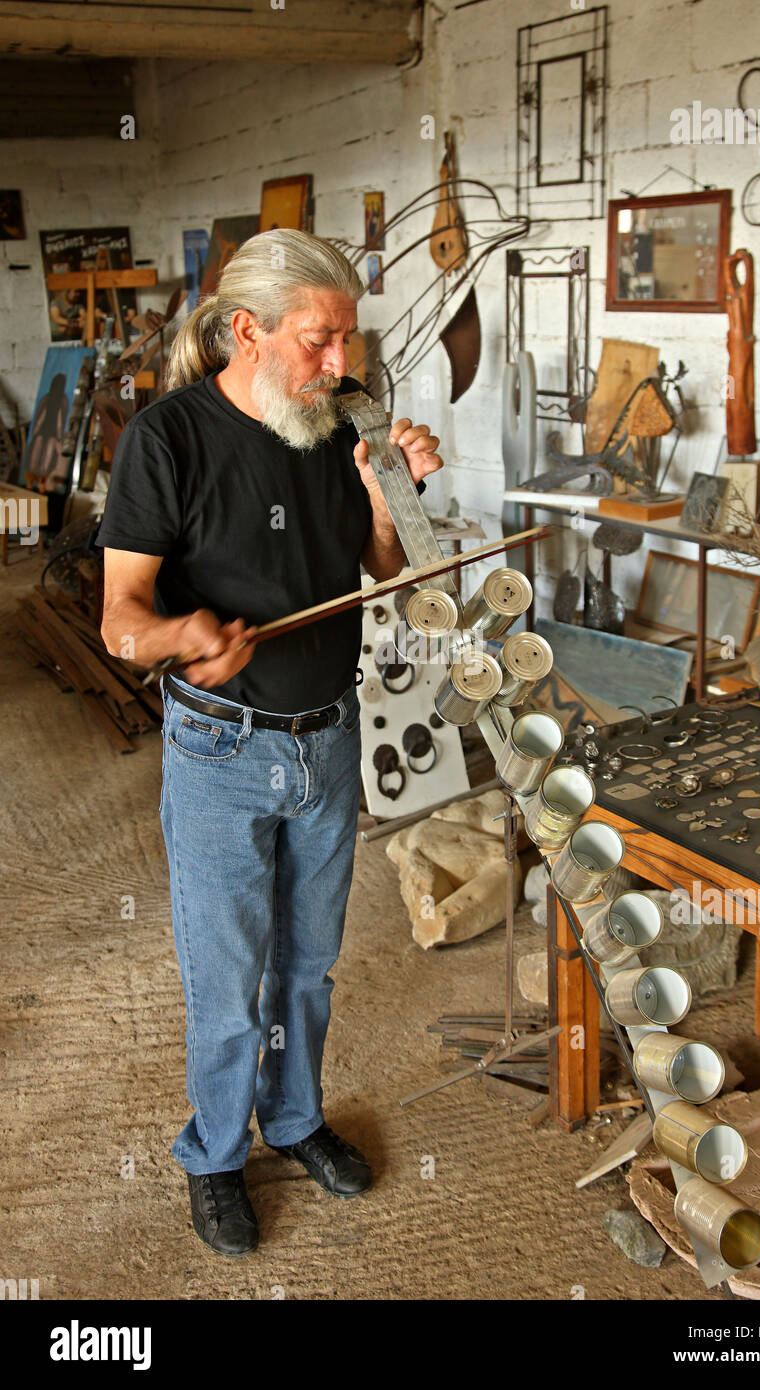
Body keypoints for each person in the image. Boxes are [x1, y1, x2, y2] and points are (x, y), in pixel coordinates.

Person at [98, 229, 444, 1257]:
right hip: (221, 750)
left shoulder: (340, 425)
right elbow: (119, 619)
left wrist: (392, 492)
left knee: (307, 964)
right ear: (246, 332)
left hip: (330, 737)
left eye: (349, 339)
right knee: (227, 973)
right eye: (319, 339)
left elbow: (386, 570)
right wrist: (175, 632)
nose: (343, 364)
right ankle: (213, 1152)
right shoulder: (169, 439)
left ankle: (292, 1122)